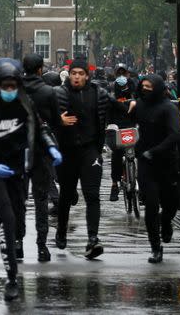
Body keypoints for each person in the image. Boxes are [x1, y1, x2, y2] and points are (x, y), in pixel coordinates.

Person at [0, 61, 61, 301]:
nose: (9, 90)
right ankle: (12, 277)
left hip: (18, 169)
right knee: (6, 219)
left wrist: (51, 148)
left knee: (16, 215)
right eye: (4, 86)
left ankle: (16, 241)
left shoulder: (26, 107)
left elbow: (41, 130)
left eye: (13, 86)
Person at [53, 59, 121, 259]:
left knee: (92, 195)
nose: (76, 77)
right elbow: (43, 113)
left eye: (81, 73)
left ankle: (93, 239)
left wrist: (133, 105)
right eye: (73, 73)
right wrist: (59, 120)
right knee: (66, 195)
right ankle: (61, 230)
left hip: (90, 150)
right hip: (67, 151)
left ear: (87, 75)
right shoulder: (59, 93)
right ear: (69, 74)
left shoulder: (98, 93)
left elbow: (118, 106)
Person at [134, 74, 180, 263]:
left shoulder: (168, 108)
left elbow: (175, 135)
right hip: (146, 164)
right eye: (143, 86)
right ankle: (155, 246)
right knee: (151, 205)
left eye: (149, 87)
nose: (145, 90)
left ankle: (166, 221)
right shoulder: (138, 105)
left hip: (167, 162)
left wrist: (155, 151)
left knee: (171, 203)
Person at [21, 54, 61, 261]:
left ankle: (17, 242)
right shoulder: (48, 91)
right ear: (39, 70)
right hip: (40, 150)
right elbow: (56, 122)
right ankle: (42, 246)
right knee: (41, 200)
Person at [108, 63, 138, 201]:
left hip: (131, 130)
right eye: (118, 73)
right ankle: (114, 184)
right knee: (116, 155)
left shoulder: (134, 95)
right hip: (117, 130)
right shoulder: (111, 96)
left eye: (123, 73)